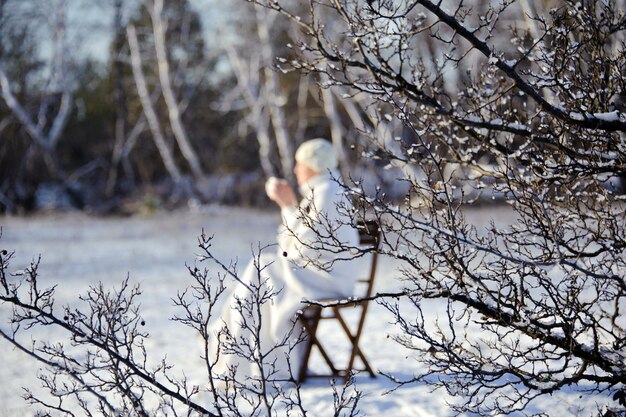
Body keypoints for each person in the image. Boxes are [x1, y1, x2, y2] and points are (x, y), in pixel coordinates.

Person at [208, 138, 359, 385]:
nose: (296, 170)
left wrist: (288, 205)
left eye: (300, 164)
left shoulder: (328, 193)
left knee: (262, 267)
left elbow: (301, 246)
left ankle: (239, 354)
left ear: (313, 165)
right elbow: (296, 246)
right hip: (320, 275)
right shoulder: (322, 192)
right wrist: (288, 207)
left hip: (328, 280)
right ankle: (251, 355)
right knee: (263, 271)